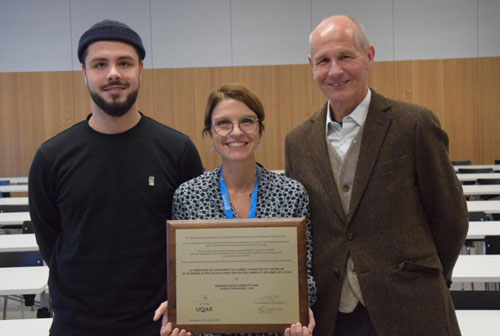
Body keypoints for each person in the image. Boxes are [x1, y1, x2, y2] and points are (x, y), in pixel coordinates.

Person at [285, 15, 468, 336]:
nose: (335, 71)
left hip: (411, 305)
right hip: (332, 313)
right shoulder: (297, 141)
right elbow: (304, 232)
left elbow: (450, 216)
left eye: (345, 57)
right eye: (324, 61)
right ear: (311, 65)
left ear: (368, 56)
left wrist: (429, 279)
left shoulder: (415, 125)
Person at [28, 19, 203, 335]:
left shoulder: (177, 150)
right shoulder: (51, 157)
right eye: (100, 64)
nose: (113, 73)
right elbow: (51, 242)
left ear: (141, 69)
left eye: (125, 63)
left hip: (158, 324)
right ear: (84, 73)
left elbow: (194, 238)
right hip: (76, 325)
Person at [153, 83, 317, 336]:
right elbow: (184, 276)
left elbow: (303, 274)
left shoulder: (292, 193)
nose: (236, 132)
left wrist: (301, 310)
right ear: (208, 133)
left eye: (247, 121)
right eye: (223, 123)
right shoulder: (188, 196)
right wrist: (179, 308)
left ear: (261, 130)